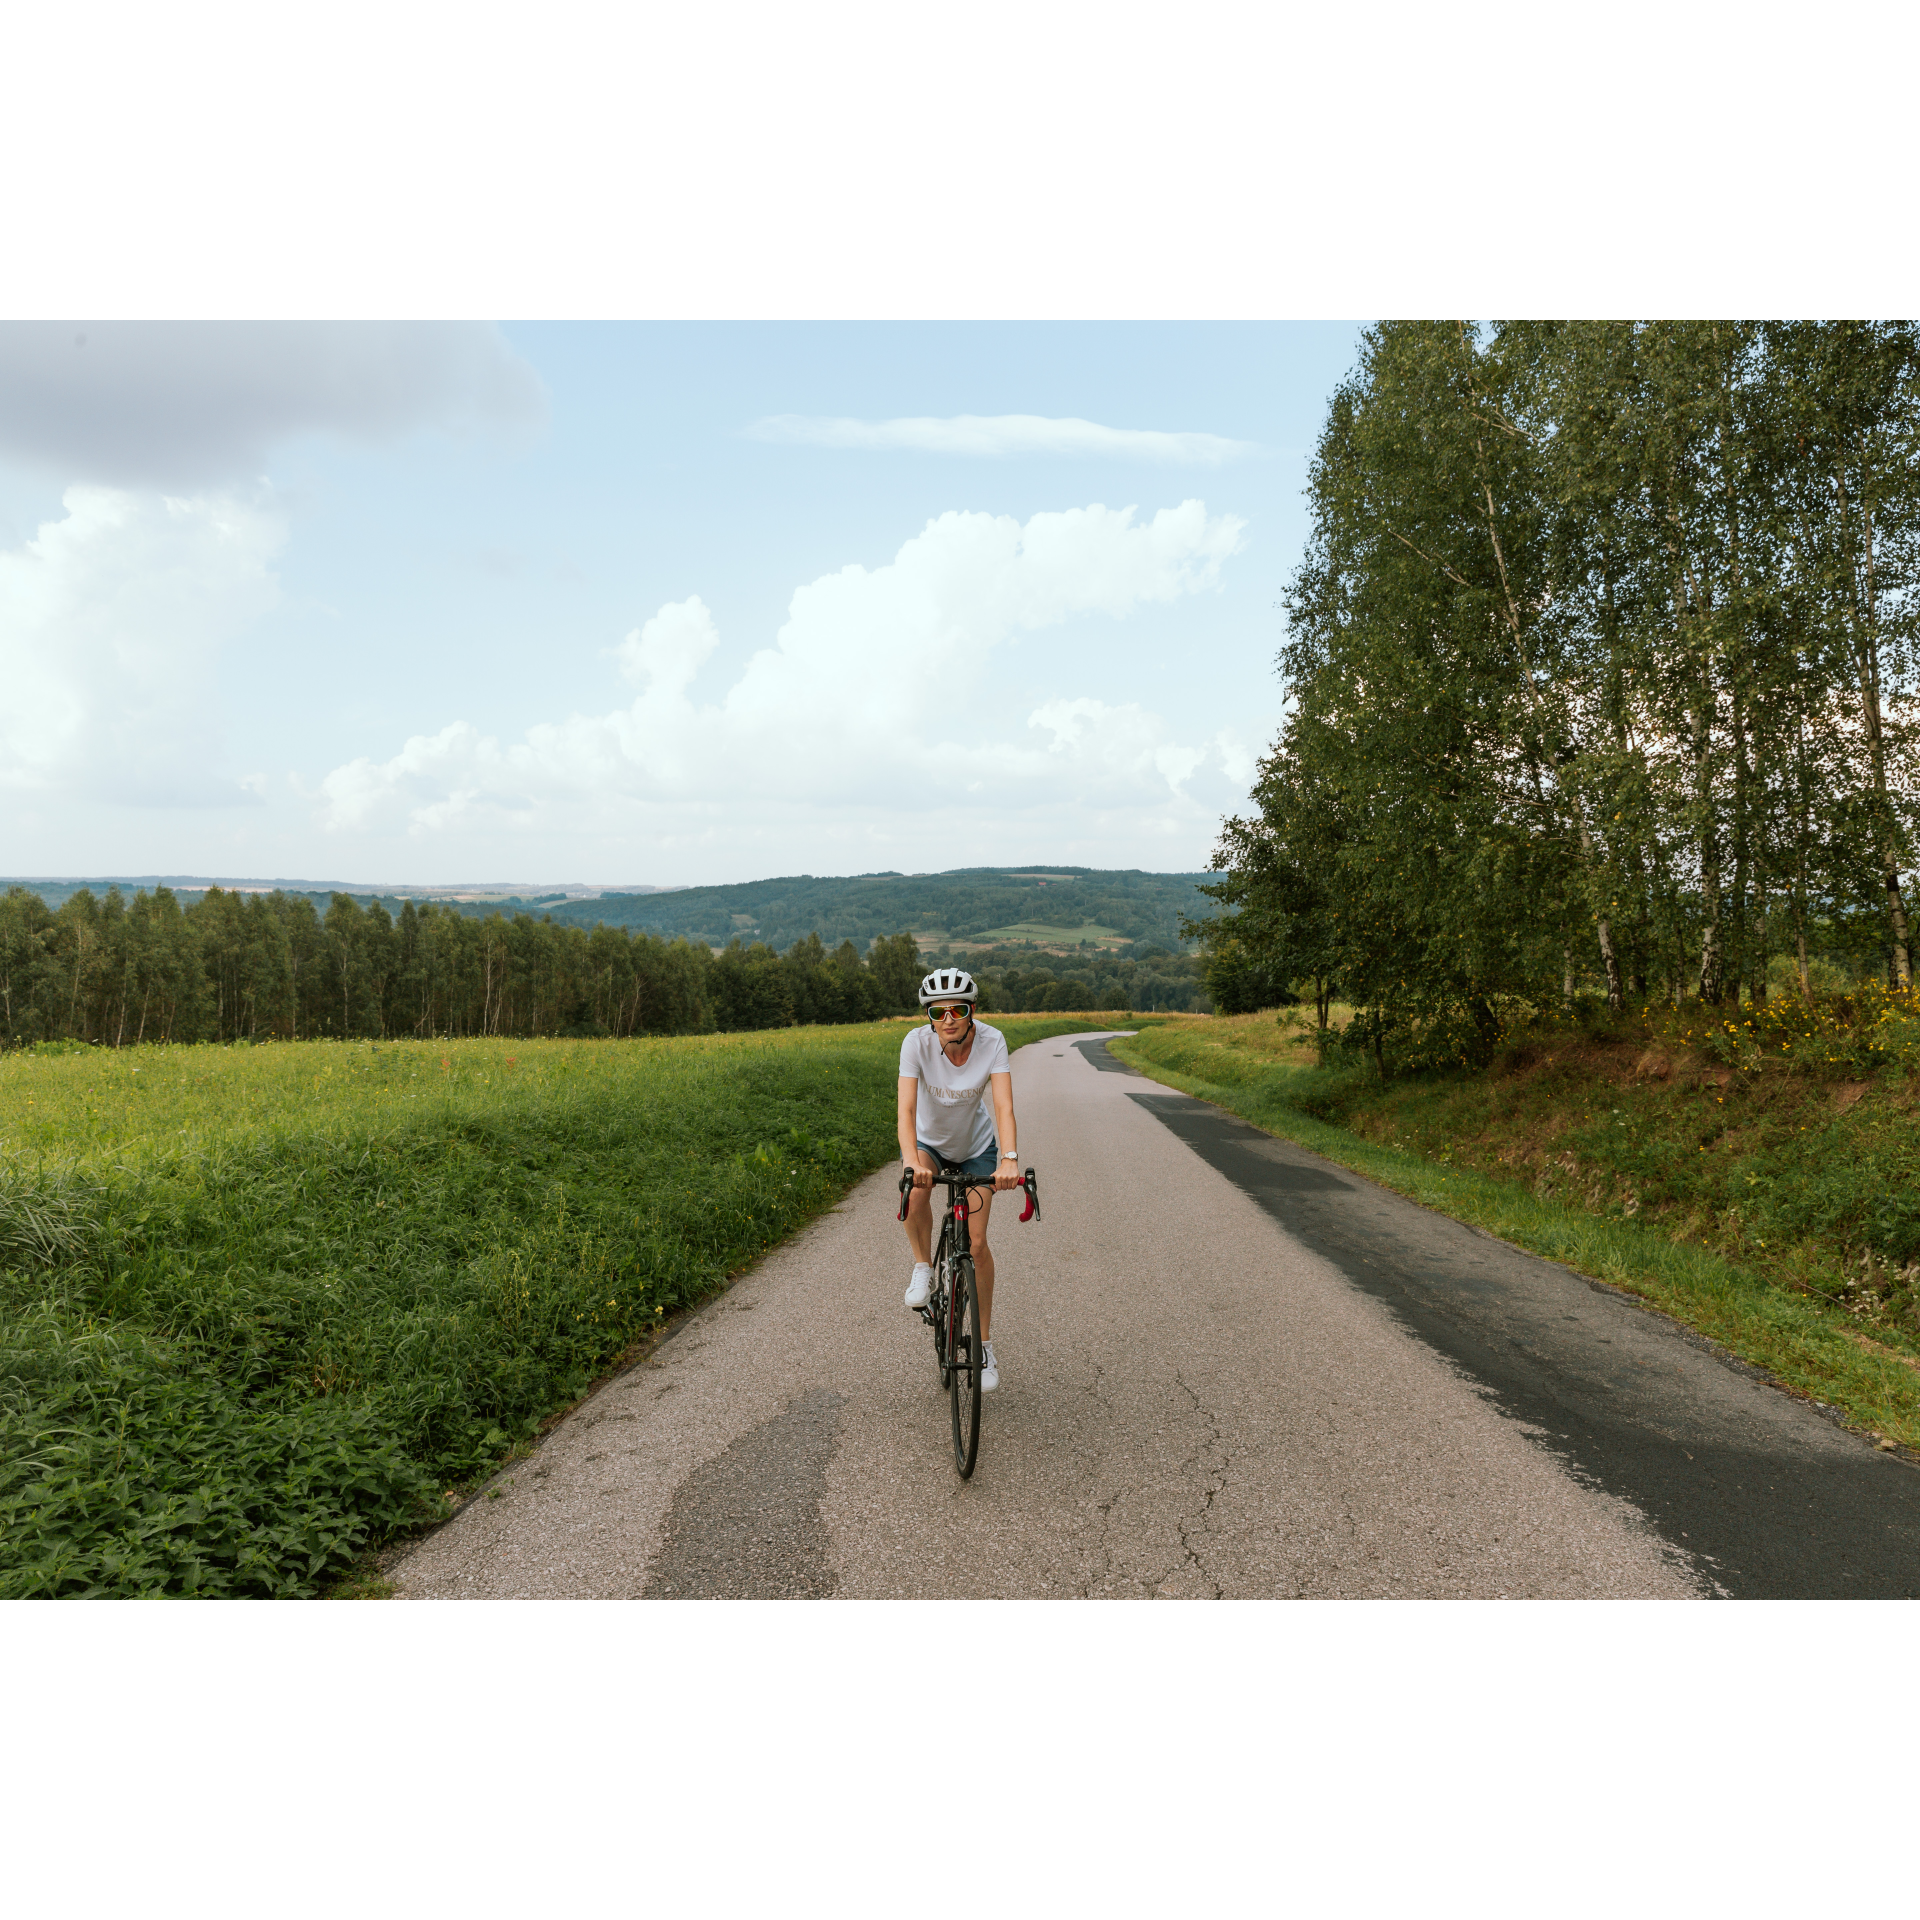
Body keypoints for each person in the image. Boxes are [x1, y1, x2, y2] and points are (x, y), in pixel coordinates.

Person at [898, 966, 1023, 1393]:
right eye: (938, 1012)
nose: (948, 1018)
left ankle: (984, 1348)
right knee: (915, 1195)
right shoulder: (915, 1044)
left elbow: (1004, 1107)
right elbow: (906, 1112)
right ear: (929, 1016)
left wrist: (1008, 1160)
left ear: (972, 1010)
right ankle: (922, 1268)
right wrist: (912, 1162)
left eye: (957, 1009)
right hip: (929, 1144)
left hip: (978, 1148)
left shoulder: (992, 1041)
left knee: (978, 1241)